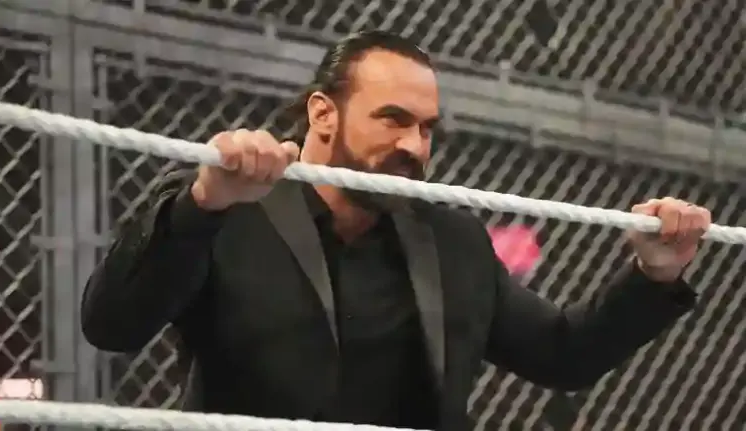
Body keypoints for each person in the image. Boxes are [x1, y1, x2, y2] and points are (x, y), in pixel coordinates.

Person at [81, 30, 711, 431]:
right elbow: (111, 325)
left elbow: (563, 355)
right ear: (322, 114)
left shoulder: (452, 239)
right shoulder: (226, 205)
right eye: (392, 119)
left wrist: (654, 273)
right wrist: (203, 204)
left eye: (426, 127)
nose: (415, 145)